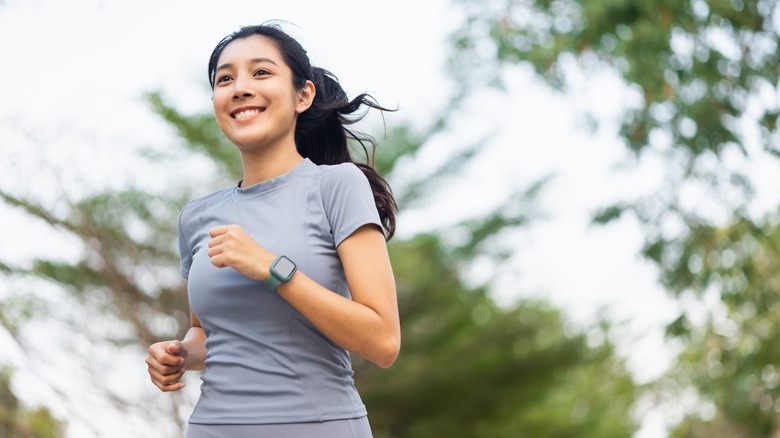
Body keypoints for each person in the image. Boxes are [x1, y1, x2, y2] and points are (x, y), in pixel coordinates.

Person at [145, 22, 401, 438]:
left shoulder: (337, 186)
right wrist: (179, 353)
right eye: (225, 79)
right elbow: (209, 334)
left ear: (303, 95)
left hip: (318, 426)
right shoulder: (197, 216)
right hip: (213, 428)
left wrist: (272, 270)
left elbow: (384, 342)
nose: (240, 87)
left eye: (260, 73)